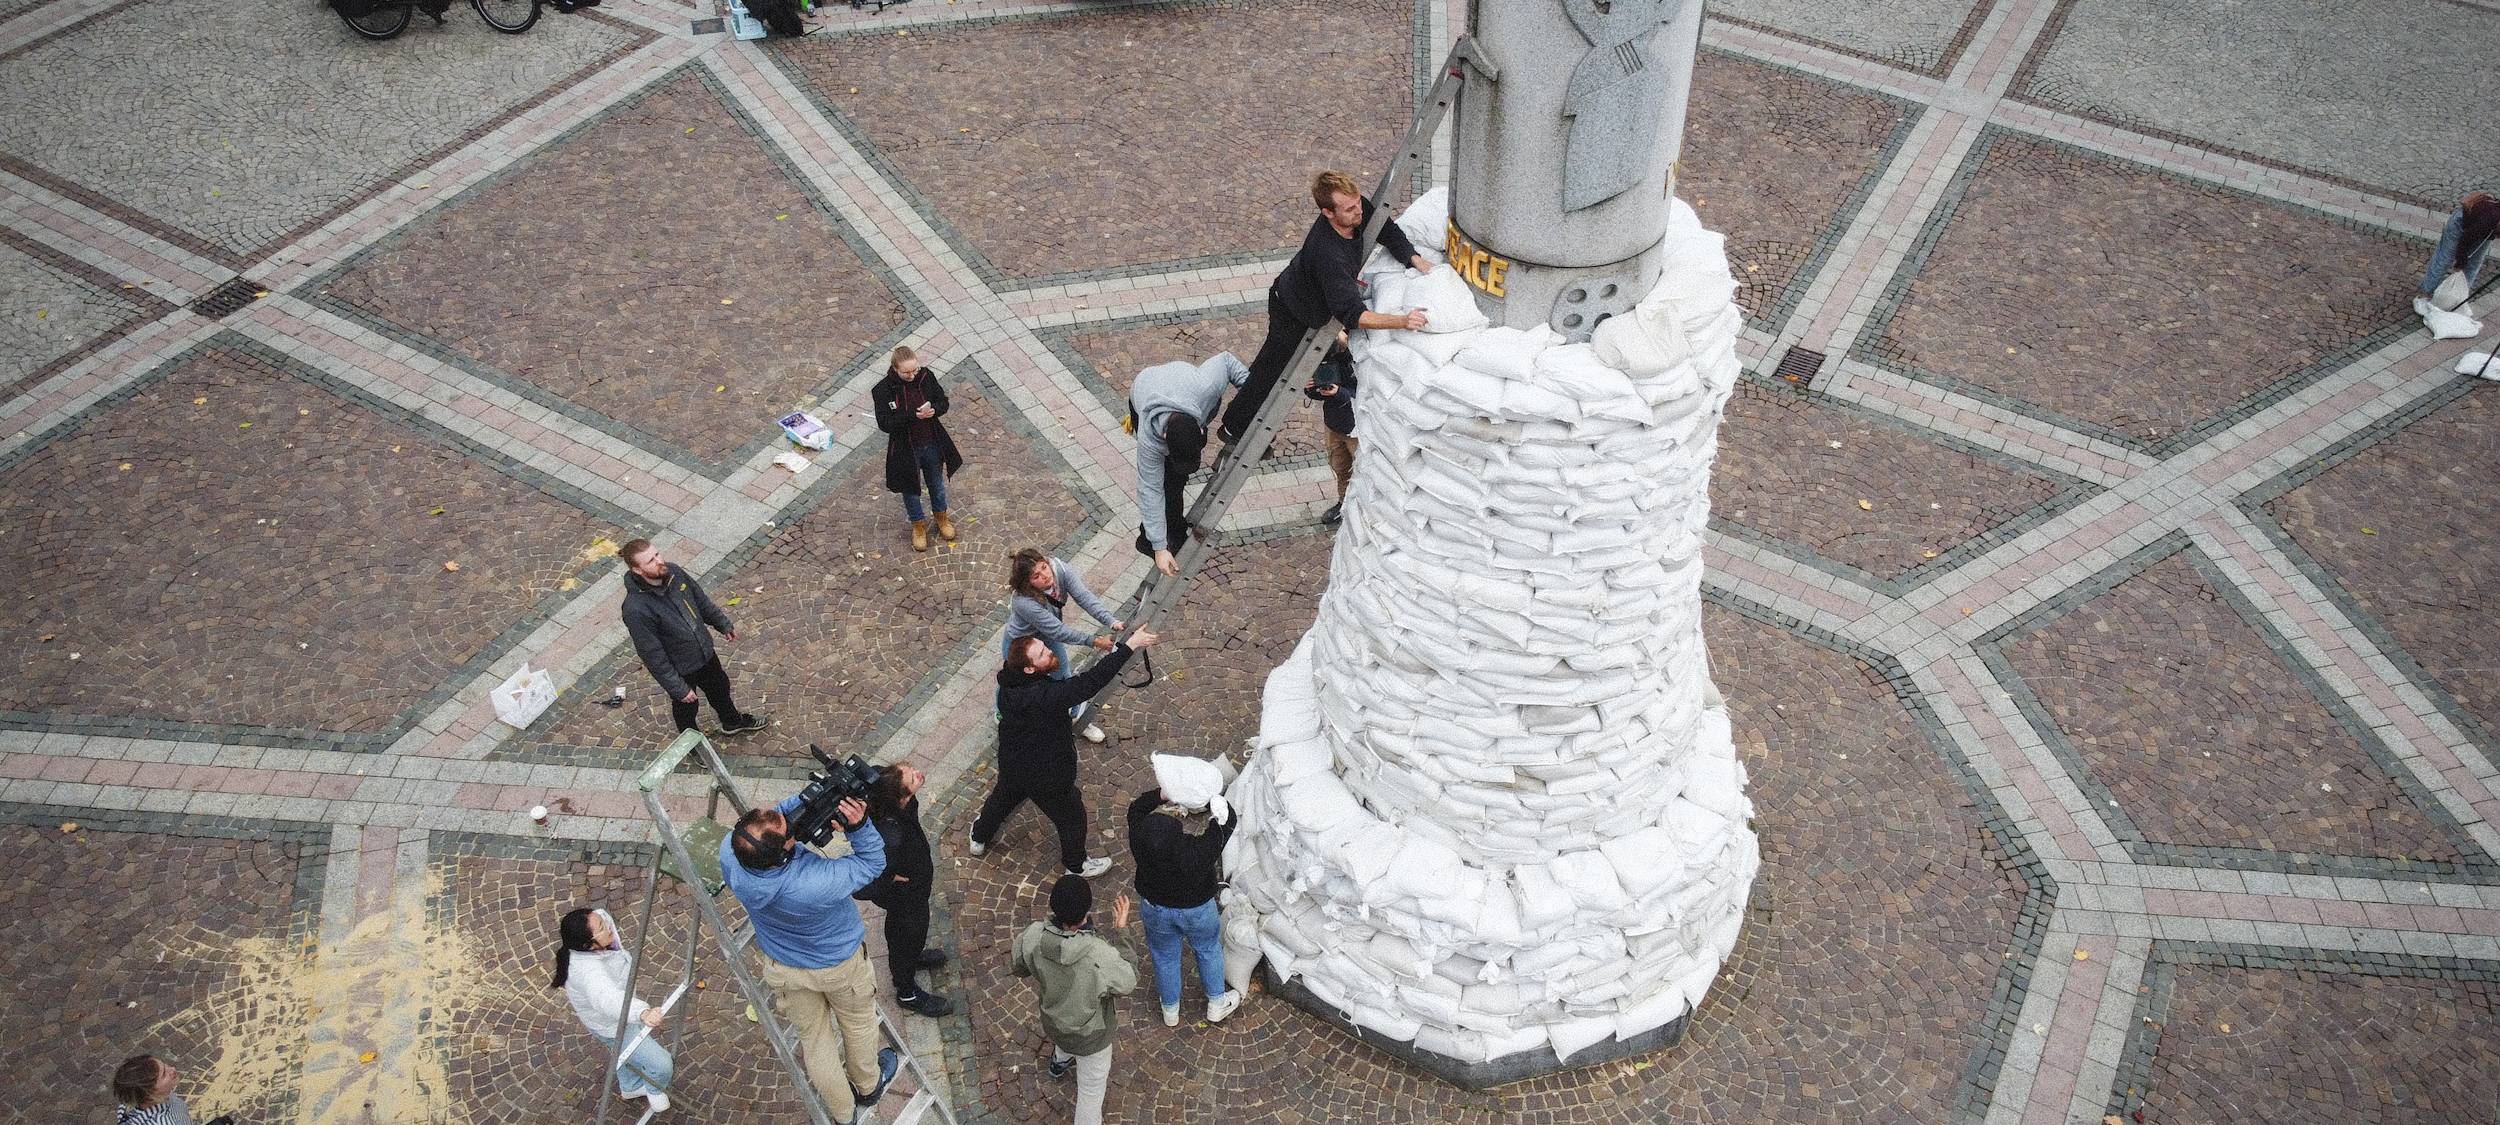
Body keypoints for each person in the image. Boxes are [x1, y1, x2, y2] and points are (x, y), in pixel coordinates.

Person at [1216, 170, 1431, 453]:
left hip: (1306, 295)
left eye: (1357, 203)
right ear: (1328, 213)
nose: (1359, 212)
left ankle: (1242, 415)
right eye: (1350, 208)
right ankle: (1234, 427)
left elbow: (1386, 229)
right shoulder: (1328, 253)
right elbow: (1354, 315)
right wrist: (1403, 321)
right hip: (1291, 309)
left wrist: (1413, 259)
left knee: (1269, 366)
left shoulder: (1355, 208)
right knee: (1270, 373)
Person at [721, 792, 901, 1124]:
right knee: (858, 1025)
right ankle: (867, 1084)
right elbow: (872, 863)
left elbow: (771, 820)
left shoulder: (731, 853)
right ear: (786, 851)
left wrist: (808, 800)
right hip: (839, 967)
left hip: (784, 968)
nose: (783, 817)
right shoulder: (814, 883)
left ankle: (843, 1115)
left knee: (816, 1042)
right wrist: (859, 825)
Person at [969, 628, 1161, 876]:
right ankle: (1076, 864)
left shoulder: (1009, 684)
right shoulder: (1045, 696)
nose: (1049, 651)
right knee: (1072, 818)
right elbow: (1091, 681)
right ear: (1029, 669)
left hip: (1013, 764)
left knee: (1002, 798)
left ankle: (979, 836)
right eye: (1042, 653)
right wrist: (1129, 645)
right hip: (1047, 776)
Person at [1125, 755, 1243, 1027]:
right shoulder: (1196, 853)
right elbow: (1225, 826)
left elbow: (1135, 810)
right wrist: (1218, 806)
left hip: (1155, 908)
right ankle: (1216, 1002)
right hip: (1197, 911)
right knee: (1208, 949)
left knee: (1164, 956)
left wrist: (1161, 794)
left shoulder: (1139, 839)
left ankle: (1170, 1010)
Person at [1010, 875, 1138, 1125]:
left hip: (1054, 1021)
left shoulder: (1034, 935)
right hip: (1091, 1036)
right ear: (1087, 912)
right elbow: (1128, 980)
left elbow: (1019, 966)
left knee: (1062, 1037)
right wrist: (1123, 933)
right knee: (1090, 1094)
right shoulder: (1097, 953)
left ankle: (1059, 1062)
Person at [619, 538, 770, 737]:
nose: (659, 561)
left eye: (657, 554)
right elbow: (652, 654)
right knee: (686, 709)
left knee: (720, 688)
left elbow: (700, 599)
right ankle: (691, 743)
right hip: (680, 668)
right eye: (650, 561)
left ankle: (732, 722)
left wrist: (721, 623)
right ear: (637, 570)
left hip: (704, 652)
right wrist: (678, 687)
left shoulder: (674, 573)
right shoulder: (635, 609)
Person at [1130, 352, 1249, 577]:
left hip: (1182, 388)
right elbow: (1149, 489)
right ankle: (1150, 538)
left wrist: (1251, 401)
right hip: (1143, 390)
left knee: (1176, 479)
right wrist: (1159, 548)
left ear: (1201, 429)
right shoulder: (1150, 440)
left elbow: (1227, 361)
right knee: (1167, 483)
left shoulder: (1206, 387)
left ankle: (1171, 528)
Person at [854, 762, 954, 1017]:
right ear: (901, 797)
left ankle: (913, 956)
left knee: (913, 934)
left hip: (916, 888)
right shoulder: (890, 837)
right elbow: (862, 886)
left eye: (911, 769)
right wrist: (889, 879)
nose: (918, 774)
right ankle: (906, 991)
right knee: (905, 937)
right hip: (905, 899)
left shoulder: (892, 796)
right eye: (912, 778)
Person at [552, 907, 674, 1113]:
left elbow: (602, 916)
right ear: (588, 945)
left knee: (624, 1052)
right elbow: (610, 1001)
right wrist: (642, 1013)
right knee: (662, 1064)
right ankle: (653, 1090)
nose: (608, 926)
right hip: (613, 1023)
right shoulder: (590, 974)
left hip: (612, 1015)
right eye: (601, 928)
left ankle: (631, 1086)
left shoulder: (595, 931)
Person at [1004, 548, 1125, 742]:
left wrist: (1112, 621)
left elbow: (1085, 598)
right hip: (1022, 645)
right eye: (1036, 576)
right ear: (1028, 583)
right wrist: (1094, 641)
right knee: (1014, 684)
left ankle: (1076, 719)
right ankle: (1003, 713)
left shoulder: (1060, 569)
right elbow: (1058, 631)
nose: (1045, 575)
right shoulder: (1023, 602)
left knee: (1063, 679)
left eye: (1044, 567)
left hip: (1046, 639)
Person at [872, 346, 966, 553]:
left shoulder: (926, 376)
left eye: (915, 370)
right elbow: (885, 424)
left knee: (936, 483)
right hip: (906, 449)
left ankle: (942, 518)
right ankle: (918, 526)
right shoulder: (882, 390)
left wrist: (935, 410)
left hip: (931, 441)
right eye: (907, 372)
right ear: (895, 368)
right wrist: (912, 415)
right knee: (911, 490)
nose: (912, 375)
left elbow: (943, 401)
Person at [1303, 334, 1359, 526]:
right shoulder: (1326, 359)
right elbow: (1321, 392)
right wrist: (1312, 389)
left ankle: (1364, 509)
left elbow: (1367, 393)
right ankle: (1343, 503)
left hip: (1357, 429)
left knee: (1363, 471)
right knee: (1340, 468)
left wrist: (1340, 393)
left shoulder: (1360, 361)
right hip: (1334, 424)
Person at [2420, 191, 2500, 312]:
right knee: (2444, 259)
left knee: (2474, 265)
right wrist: (2460, 264)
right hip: (2461, 224)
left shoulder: (2492, 223)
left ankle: (2459, 299)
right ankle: (2425, 294)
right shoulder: (2487, 219)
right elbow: (2465, 241)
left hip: (2486, 231)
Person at [109, 1056, 233, 1125]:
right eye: (164, 1075)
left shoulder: (129, 1103)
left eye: (165, 1065)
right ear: (149, 1094)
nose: (172, 1069)